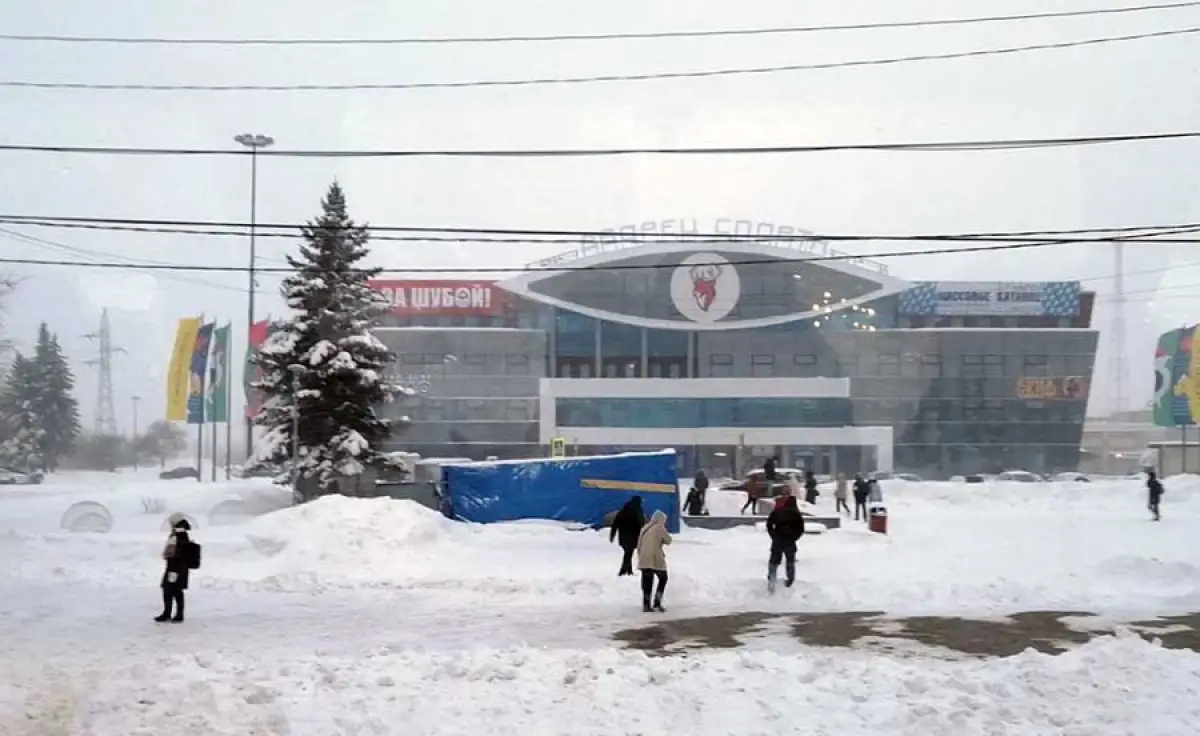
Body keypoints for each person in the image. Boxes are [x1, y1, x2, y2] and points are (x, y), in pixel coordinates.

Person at [156, 518, 193, 623]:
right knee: (173, 590)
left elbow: (177, 553)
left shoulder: (179, 537)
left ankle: (174, 614)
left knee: (172, 590)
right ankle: (173, 613)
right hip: (176, 568)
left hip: (175, 568)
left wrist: (171, 560)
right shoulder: (179, 536)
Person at [766, 495, 806, 592]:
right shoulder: (796, 514)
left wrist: (773, 535)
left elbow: (769, 524)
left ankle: (772, 579)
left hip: (777, 540)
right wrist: (794, 537)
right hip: (789, 541)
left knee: (774, 561)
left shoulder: (777, 512)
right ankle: (790, 581)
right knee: (790, 562)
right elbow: (801, 529)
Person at [637, 509, 672, 612]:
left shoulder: (645, 528)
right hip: (655, 558)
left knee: (647, 582)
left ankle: (646, 605)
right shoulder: (659, 528)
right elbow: (668, 540)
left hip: (643, 559)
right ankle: (657, 601)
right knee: (663, 578)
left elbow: (638, 544)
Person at [610, 496, 645, 576]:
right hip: (633, 537)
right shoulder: (638, 511)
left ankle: (628, 570)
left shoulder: (623, 510)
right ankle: (623, 571)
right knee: (628, 553)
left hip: (623, 537)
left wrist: (612, 535)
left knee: (628, 553)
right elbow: (642, 523)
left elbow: (615, 523)